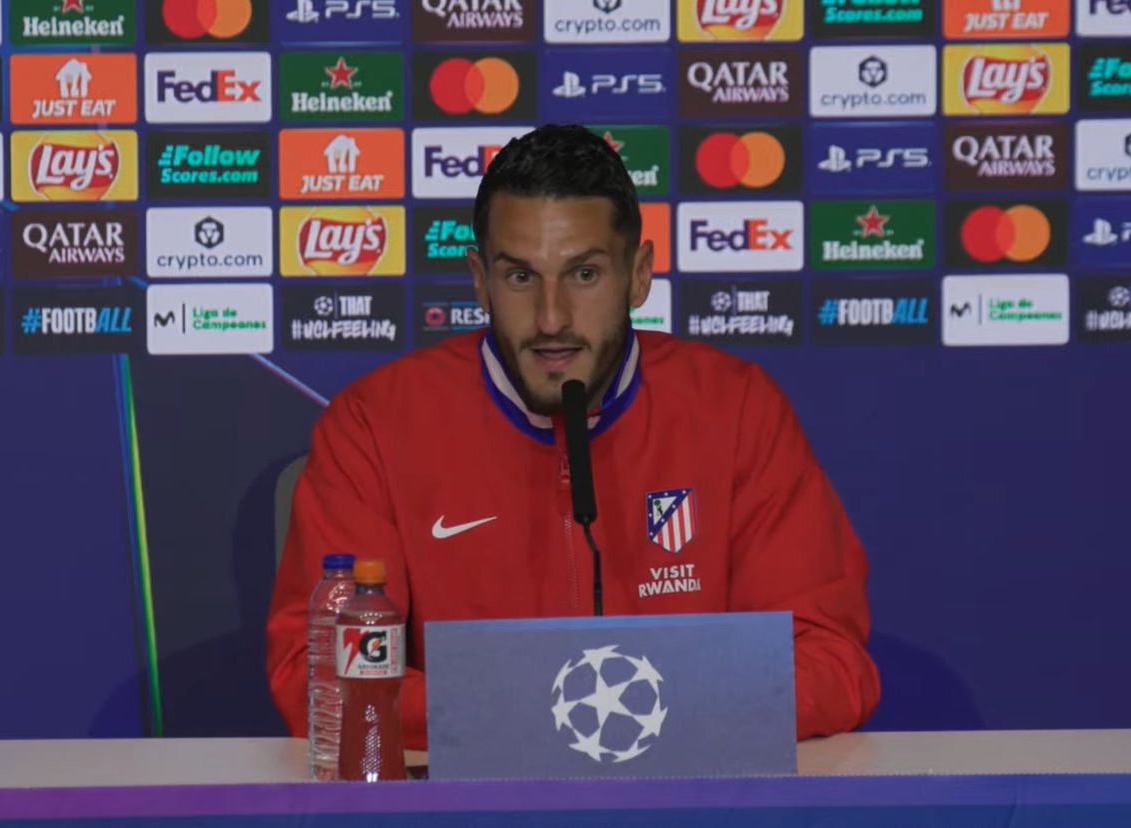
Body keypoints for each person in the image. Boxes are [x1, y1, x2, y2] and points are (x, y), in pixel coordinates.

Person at [265, 124, 880, 751]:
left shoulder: (736, 410)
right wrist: (577, 703)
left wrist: (609, 709)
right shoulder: (375, 424)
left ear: (638, 274)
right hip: (468, 799)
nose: (551, 317)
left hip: (686, 793)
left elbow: (827, 663)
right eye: (520, 277)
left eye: (584, 274)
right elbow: (323, 680)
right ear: (479, 279)